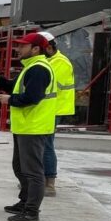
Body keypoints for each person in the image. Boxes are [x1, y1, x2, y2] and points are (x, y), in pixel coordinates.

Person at [0, 32, 58, 221]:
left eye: (22, 46)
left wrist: (10, 101)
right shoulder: (30, 68)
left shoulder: (39, 69)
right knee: (20, 167)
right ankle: (24, 202)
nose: (18, 49)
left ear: (35, 49)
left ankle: (31, 212)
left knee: (33, 171)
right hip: (25, 126)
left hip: (34, 127)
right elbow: (15, 87)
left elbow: (33, 97)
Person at [40, 31, 75, 196]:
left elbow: (46, 86)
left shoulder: (60, 62)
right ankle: (40, 180)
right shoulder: (50, 60)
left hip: (53, 109)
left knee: (46, 145)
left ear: (48, 47)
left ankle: (49, 184)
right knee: (41, 145)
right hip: (47, 108)